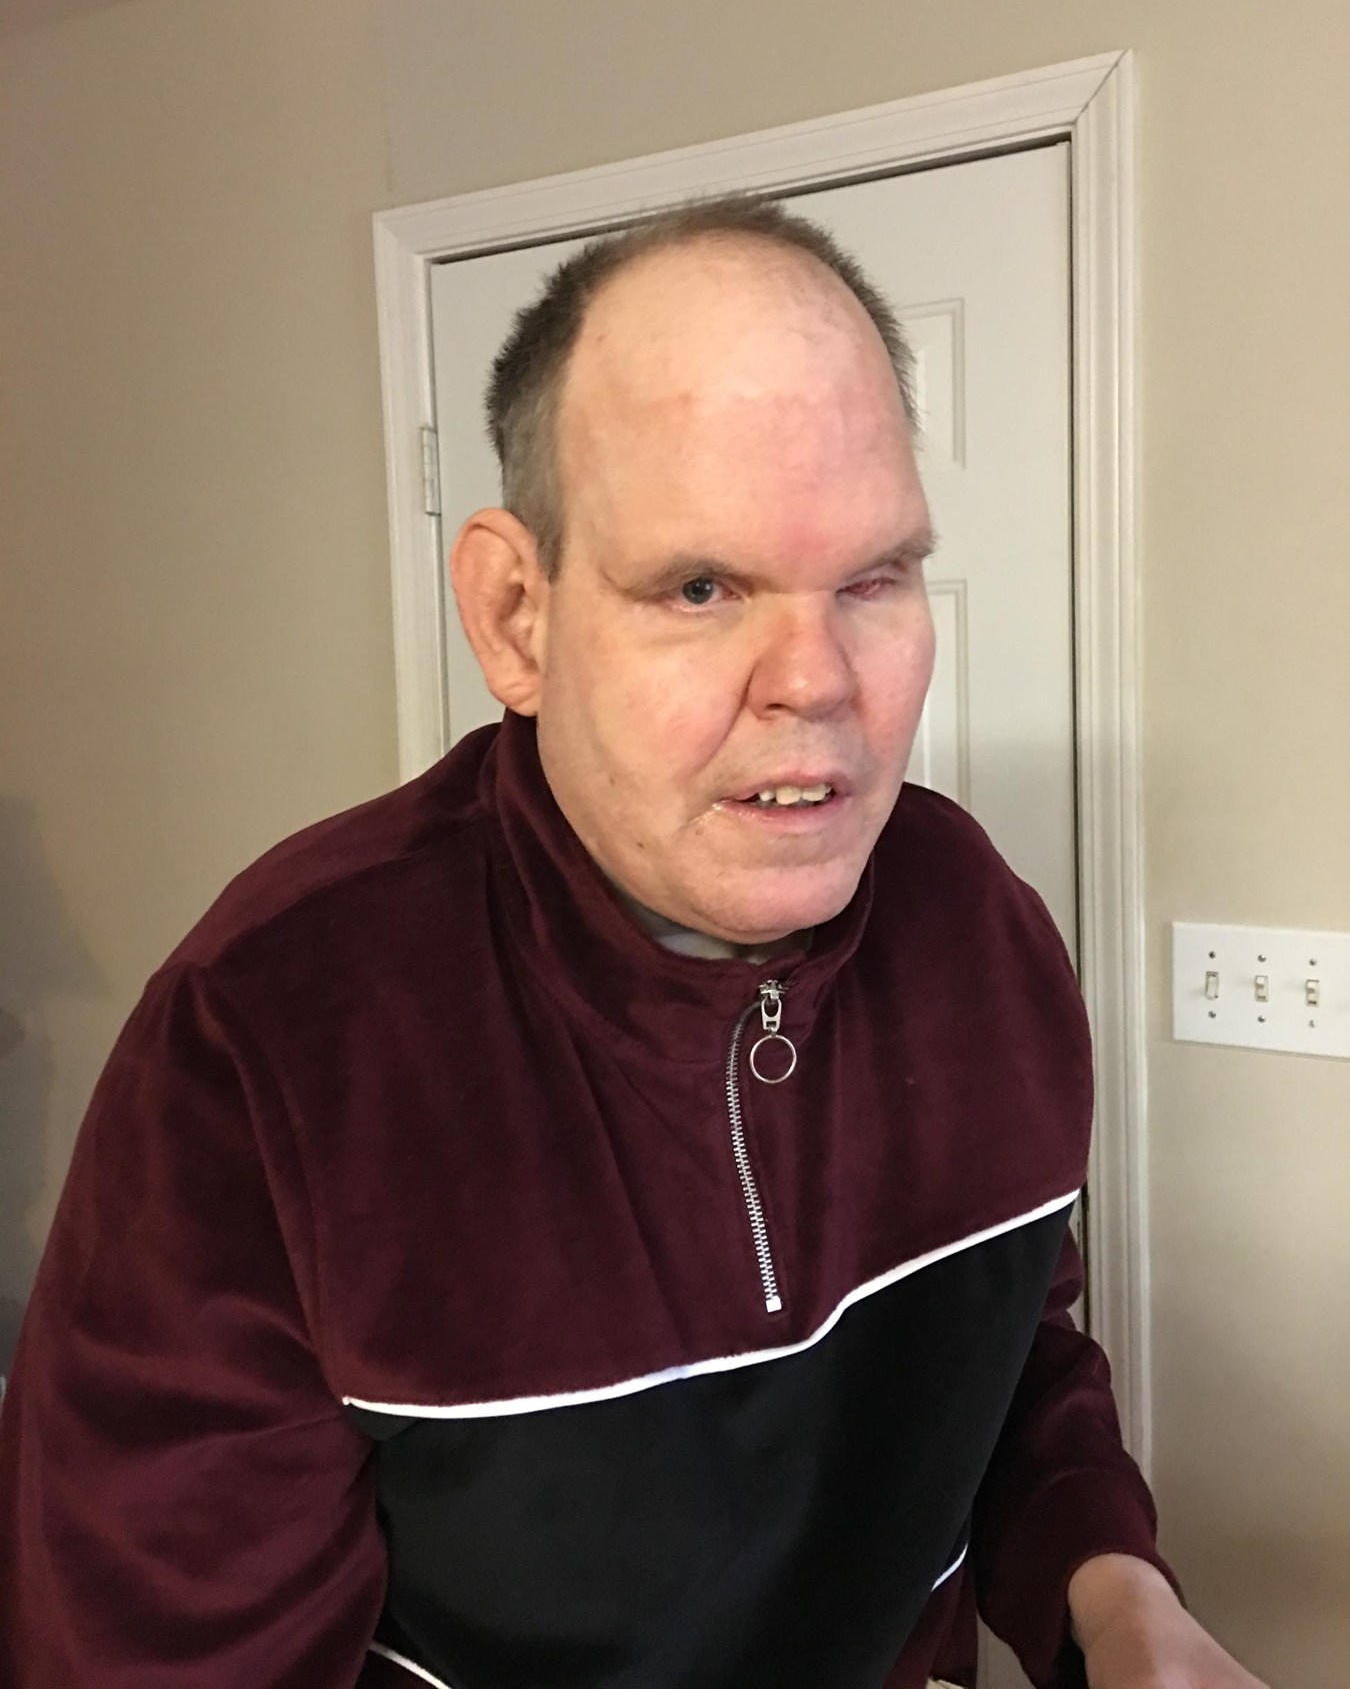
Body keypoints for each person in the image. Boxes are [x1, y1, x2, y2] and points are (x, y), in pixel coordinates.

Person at [0, 198, 1267, 1689]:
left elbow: (1008, 1350)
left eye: (872, 578)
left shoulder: (972, 919)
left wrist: (1114, 1597)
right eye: (700, 588)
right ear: (515, 617)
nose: (816, 681)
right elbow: (154, 1646)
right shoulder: (274, 1031)